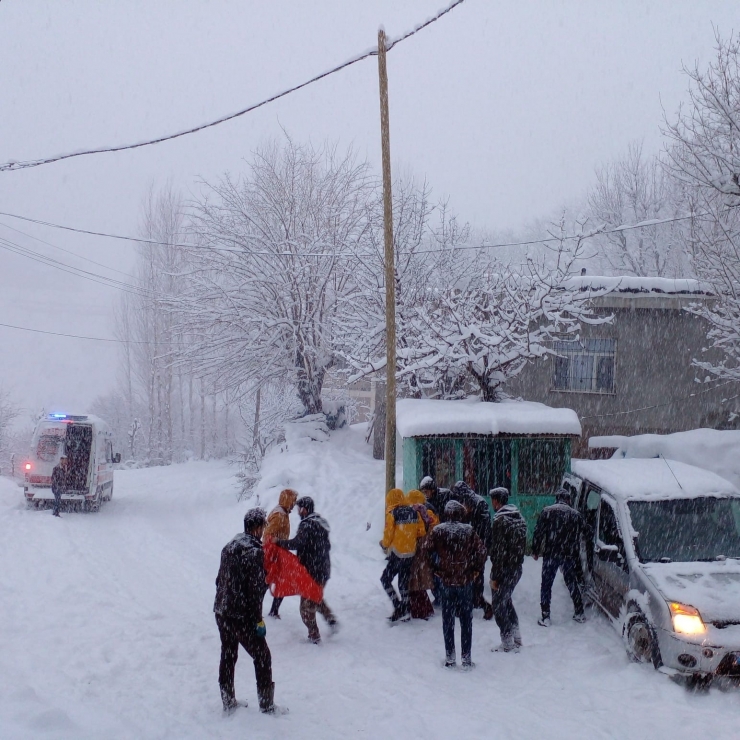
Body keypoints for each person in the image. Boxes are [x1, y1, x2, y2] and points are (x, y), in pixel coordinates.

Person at [214, 508, 284, 715]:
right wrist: (258, 621)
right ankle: (267, 705)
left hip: (221, 610)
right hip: (240, 615)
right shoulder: (254, 553)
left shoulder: (229, 547)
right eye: (262, 527)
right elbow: (255, 593)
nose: (263, 531)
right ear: (256, 528)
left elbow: (219, 581)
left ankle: (228, 702)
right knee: (262, 656)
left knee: (228, 654)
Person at [423, 500, 487, 669]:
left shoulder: (438, 531)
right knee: (466, 621)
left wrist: (435, 569)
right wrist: (475, 570)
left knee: (448, 620)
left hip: (446, 582)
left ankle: (450, 658)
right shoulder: (469, 531)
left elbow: (426, 550)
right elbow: (482, 551)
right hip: (465, 581)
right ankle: (466, 658)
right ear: (460, 514)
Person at [275, 496, 337, 644]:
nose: (298, 511)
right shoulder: (321, 523)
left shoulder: (307, 525)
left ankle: (314, 636)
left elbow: (297, 543)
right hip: (323, 570)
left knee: (306, 607)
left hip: (312, 571)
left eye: (299, 508)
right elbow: (326, 547)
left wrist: (278, 542)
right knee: (315, 596)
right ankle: (331, 619)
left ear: (305, 509)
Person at [532, 487, 586, 626]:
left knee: (546, 584)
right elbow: (584, 533)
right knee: (571, 583)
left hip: (551, 554)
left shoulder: (547, 512)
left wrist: (536, 550)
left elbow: (538, 532)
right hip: (568, 555)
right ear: (568, 499)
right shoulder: (575, 515)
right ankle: (579, 612)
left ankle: (545, 616)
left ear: (556, 499)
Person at [488, 487, 527, 652]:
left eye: (492, 500)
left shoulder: (500, 521)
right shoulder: (520, 519)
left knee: (498, 605)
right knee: (506, 601)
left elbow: (498, 551)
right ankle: (516, 636)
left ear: (496, 501)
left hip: (504, 570)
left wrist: (495, 576)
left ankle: (508, 642)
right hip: (516, 568)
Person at [380, 488, 427, 622]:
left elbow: (388, 536)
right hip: (410, 554)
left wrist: (384, 544)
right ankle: (405, 608)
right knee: (403, 583)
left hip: (397, 554)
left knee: (385, 579)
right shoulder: (414, 512)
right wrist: (410, 536)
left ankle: (398, 606)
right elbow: (421, 532)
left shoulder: (392, 513)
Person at [451, 481, 494, 620]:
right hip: (473, 546)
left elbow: (483, 528)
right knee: (472, 576)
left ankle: (479, 604)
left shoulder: (477, 503)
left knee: (473, 576)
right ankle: (474, 603)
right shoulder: (470, 501)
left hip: (476, 546)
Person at [263, 488, 298, 619]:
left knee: (278, 582)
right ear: (287, 501)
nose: (294, 505)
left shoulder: (282, 512)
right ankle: (263, 610)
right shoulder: (279, 516)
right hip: (273, 555)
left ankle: (273, 610)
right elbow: (268, 535)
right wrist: (275, 548)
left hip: (277, 554)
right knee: (268, 582)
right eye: (292, 502)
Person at [407, 489, 438, 619]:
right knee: (418, 581)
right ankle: (424, 609)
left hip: (416, 550)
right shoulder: (428, 511)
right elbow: (434, 528)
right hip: (425, 550)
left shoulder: (414, 513)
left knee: (414, 582)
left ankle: (420, 610)